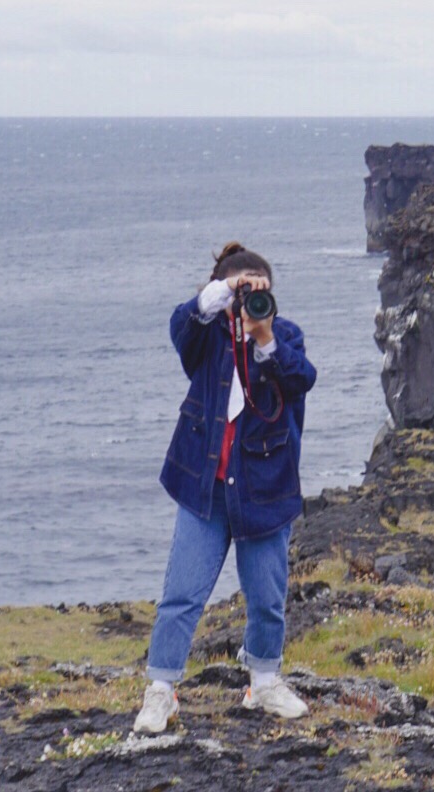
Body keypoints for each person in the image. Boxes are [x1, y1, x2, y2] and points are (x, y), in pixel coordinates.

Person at [134, 242, 318, 733]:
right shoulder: (206, 338)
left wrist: (264, 339)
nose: (255, 300)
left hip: (264, 490)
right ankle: (161, 691)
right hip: (204, 489)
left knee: (266, 597)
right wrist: (222, 293)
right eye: (246, 292)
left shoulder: (285, 337)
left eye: (263, 292)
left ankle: (264, 681)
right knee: (181, 595)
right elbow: (180, 324)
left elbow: (302, 379)